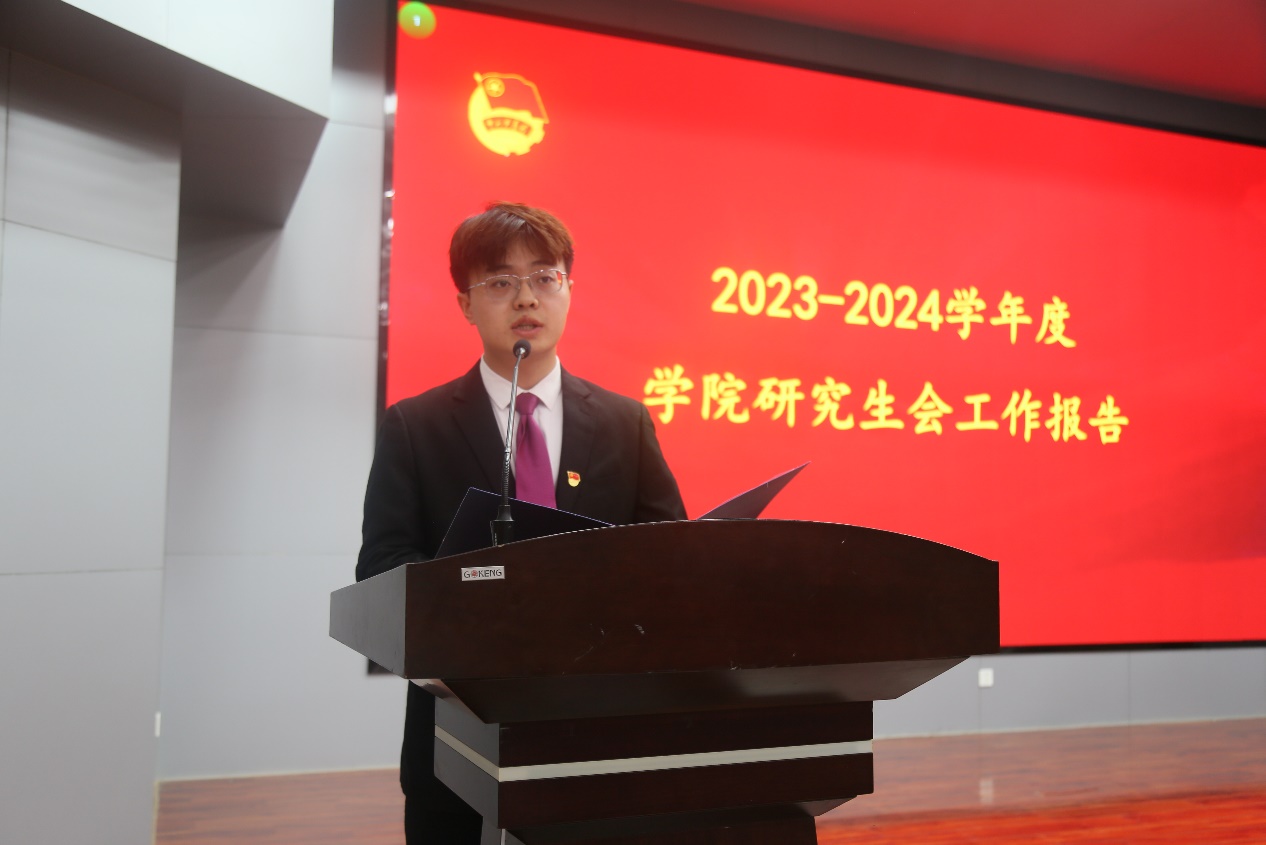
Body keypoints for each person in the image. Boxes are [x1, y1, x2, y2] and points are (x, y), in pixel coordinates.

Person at [356, 202, 687, 844]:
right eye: (501, 282)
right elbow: (382, 568)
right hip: (460, 728)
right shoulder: (416, 426)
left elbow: (670, 558)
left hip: (600, 727)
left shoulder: (625, 422)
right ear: (466, 304)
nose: (526, 298)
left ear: (568, 290)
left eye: (544, 277)